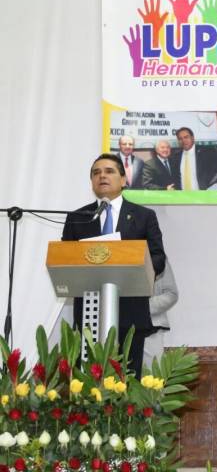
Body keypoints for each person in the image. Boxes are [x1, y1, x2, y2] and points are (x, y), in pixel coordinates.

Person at [62, 154, 166, 378]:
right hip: (89, 315)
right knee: (89, 382)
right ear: (91, 181)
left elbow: (158, 258)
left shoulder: (144, 216)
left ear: (123, 179)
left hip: (131, 314)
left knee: (127, 382)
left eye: (109, 171)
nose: (102, 176)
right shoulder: (78, 217)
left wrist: (132, 265)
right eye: (96, 173)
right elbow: (66, 259)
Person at [144, 258, 178, 367]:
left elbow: (171, 294)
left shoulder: (156, 255)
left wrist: (142, 307)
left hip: (150, 329)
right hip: (115, 325)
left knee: (153, 375)